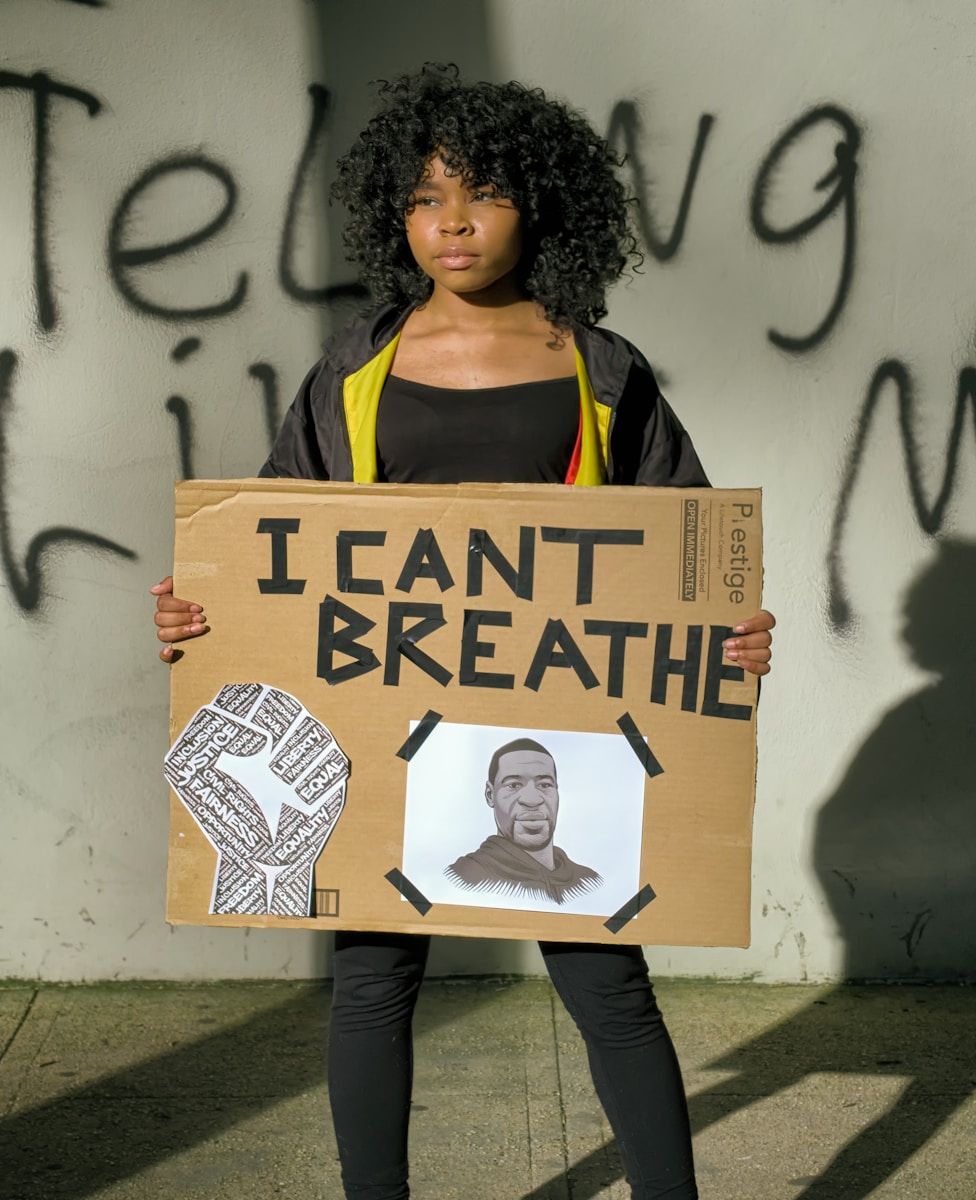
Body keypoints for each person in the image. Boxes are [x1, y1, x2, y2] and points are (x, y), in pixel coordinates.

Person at [152, 64, 775, 1200]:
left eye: (483, 191)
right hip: (387, 729)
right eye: (427, 194)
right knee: (373, 986)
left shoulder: (600, 368)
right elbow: (279, 537)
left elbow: (684, 547)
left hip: (562, 726)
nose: (451, 220)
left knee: (609, 991)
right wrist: (206, 613)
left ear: (540, 207)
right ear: (395, 213)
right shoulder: (355, 365)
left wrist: (730, 637)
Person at [446, 736, 602, 904]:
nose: (532, 800)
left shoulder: (588, 881)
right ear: (490, 795)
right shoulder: (465, 878)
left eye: (544, 785)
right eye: (513, 785)